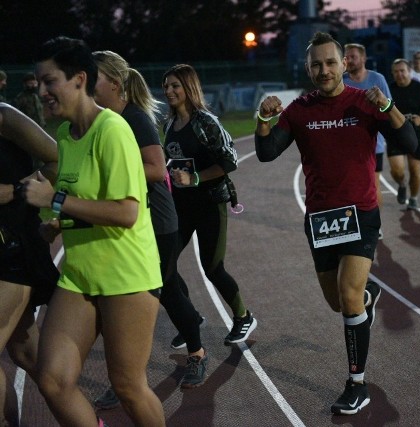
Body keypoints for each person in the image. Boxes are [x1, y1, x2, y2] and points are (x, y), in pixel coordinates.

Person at [254, 32, 417, 415]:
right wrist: (264, 121)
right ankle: (369, 296)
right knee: (337, 302)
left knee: (347, 297)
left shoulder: (366, 101)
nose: (324, 70)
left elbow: (409, 142)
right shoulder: (298, 110)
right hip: (321, 218)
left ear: (345, 64)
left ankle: (356, 385)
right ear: (308, 68)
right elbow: (265, 153)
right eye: (316, 64)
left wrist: (390, 107)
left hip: (361, 213)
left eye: (330, 62)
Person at [27, 36, 165, 426]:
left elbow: (126, 212)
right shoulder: (66, 139)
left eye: (49, 81)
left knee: (128, 386)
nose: (42, 91)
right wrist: (57, 224)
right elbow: (85, 201)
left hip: (126, 275)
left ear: (78, 79)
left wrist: (54, 201)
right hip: (80, 274)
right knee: (52, 380)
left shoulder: (113, 130)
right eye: (39, 82)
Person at [91, 51, 209, 408]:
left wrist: (109, 172)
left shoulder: (135, 118)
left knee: (162, 292)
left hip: (156, 223)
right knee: (142, 294)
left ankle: (198, 354)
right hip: (129, 222)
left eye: (92, 77)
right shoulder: (106, 119)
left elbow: (157, 170)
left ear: (114, 83)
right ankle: (127, 378)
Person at [162, 64, 257, 346]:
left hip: (209, 204)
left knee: (212, 268)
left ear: (189, 88)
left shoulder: (206, 122)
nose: (169, 91)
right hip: (180, 207)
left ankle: (243, 317)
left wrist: (194, 178)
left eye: (175, 85)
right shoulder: (167, 125)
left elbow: (230, 161)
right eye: (166, 86)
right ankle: (189, 316)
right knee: (161, 265)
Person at [0, 103, 60, 427]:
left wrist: (12, 191)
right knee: (27, 354)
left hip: (13, 249)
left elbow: (57, 159)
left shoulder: (4, 116)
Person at [343, 43, 390, 237]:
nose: (349, 60)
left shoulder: (377, 79)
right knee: (348, 186)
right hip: (346, 145)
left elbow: (388, 107)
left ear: (363, 59)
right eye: (346, 57)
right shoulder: (341, 81)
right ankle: (351, 223)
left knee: (372, 185)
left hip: (373, 144)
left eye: (353, 57)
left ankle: (375, 224)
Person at [389, 58, 420, 210]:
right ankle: (402, 184)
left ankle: (414, 198)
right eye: (396, 72)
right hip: (395, 133)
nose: (399, 74)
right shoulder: (389, 90)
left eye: (402, 71)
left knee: (415, 170)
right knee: (397, 170)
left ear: (409, 71)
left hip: (415, 133)